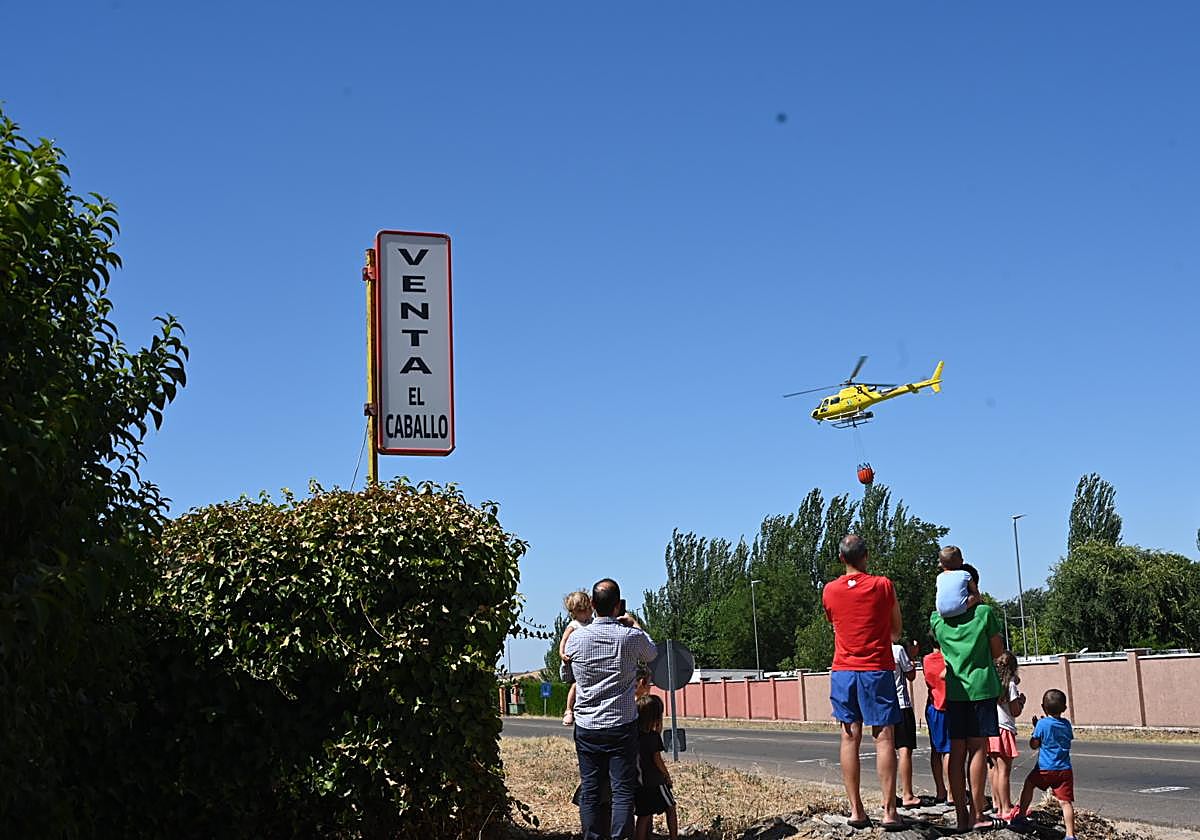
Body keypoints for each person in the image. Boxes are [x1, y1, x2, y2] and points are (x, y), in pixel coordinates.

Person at [821, 534, 905, 832]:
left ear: (841, 558)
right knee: (884, 738)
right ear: (866, 556)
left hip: (843, 670)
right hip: (876, 669)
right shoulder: (882, 585)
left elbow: (834, 623)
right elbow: (896, 630)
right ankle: (890, 811)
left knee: (849, 737)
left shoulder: (830, 590)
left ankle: (856, 810)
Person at [565, 578, 658, 840]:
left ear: (593, 605)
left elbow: (567, 674)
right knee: (622, 790)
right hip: (621, 724)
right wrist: (635, 624)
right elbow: (651, 653)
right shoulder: (630, 637)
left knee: (591, 789)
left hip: (587, 726)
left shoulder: (576, 639)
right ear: (618, 605)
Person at [929, 555, 1006, 833]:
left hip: (954, 691)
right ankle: (977, 813)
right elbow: (998, 653)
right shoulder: (984, 614)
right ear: (970, 586)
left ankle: (961, 816)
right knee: (978, 750)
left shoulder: (937, 620)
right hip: (981, 688)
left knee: (956, 751)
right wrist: (976, 595)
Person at [1012, 690, 1076, 840]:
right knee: (1065, 802)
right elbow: (1065, 739)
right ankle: (1070, 834)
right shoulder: (1067, 724)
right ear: (1064, 708)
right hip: (1064, 769)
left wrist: (1037, 729)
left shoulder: (1042, 724)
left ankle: (1021, 815)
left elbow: (1034, 745)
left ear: (1043, 707)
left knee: (1029, 784)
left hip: (1045, 769)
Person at [633, 694, 678, 840]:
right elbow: (657, 759)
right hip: (655, 781)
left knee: (644, 815)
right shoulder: (653, 737)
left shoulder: (634, 735)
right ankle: (674, 837)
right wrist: (667, 776)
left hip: (639, 782)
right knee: (670, 807)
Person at [987, 651, 1026, 820]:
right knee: (1004, 771)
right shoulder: (1010, 686)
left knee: (995, 769)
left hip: (991, 728)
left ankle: (998, 804)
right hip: (1005, 728)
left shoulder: (992, 684)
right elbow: (1015, 711)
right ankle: (1005, 808)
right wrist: (1021, 702)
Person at [890, 640, 921, 809]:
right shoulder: (897, 650)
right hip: (901, 704)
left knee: (886, 750)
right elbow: (911, 675)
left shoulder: (874, 649)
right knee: (904, 749)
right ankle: (907, 794)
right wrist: (911, 657)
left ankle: (888, 796)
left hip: (883, 706)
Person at [922, 636, 952, 805]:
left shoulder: (926, 660)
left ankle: (940, 790)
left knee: (936, 749)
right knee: (949, 751)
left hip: (933, 706)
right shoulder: (948, 658)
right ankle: (952, 793)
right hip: (947, 706)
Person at [560, 590, 595, 726]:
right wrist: (562, 654)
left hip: (589, 659)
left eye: (590, 609)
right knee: (576, 685)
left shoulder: (592, 622)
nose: (589, 612)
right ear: (575, 612)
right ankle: (569, 710)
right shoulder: (574, 625)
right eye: (585, 610)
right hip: (574, 661)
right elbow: (563, 640)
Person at [935, 545, 982, 618]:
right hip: (959, 608)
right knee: (976, 595)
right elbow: (974, 590)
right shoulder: (965, 574)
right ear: (961, 561)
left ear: (942, 565)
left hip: (941, 612)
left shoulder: (939, 577)